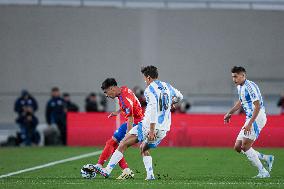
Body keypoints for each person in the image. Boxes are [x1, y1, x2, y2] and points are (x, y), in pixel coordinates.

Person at [94, 65, 183, 180]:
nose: (145, 81)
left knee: (122, 144)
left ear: (149, 77)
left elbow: (153, 110)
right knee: (144, 147)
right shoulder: (167, 86)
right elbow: (180, 97)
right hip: (164, 128)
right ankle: (150, 175)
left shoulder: (149, 90)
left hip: (149, 126)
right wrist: (171, 102)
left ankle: (107, 170)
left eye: (145, 78)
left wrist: (151, 130)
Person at [224, 66, 274, 178]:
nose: (234, 79)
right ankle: (267, 158)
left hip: (257, 117)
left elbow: (257, 106)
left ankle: (263, 172)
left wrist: (250, 123)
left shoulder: (249, 86)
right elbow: (241, 102)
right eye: (232, 77)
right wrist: (230, 112)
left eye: (236, 76)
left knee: (245, 146)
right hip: (250, 118)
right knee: (237, 147)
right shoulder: (239, 87)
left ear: (243, 75)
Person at [93, 78, 144, 179]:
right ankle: (125, 170)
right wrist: (118, 111)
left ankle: (100, 166)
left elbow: (130, 118)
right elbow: (129, 105)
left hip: (135, 122)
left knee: (112, 143)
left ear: (112, 88)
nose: (106, 95)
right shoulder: (124, 89)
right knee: (114, 144)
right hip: (138, 121)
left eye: (106, 92)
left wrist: (128, 135)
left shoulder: (124, 98)